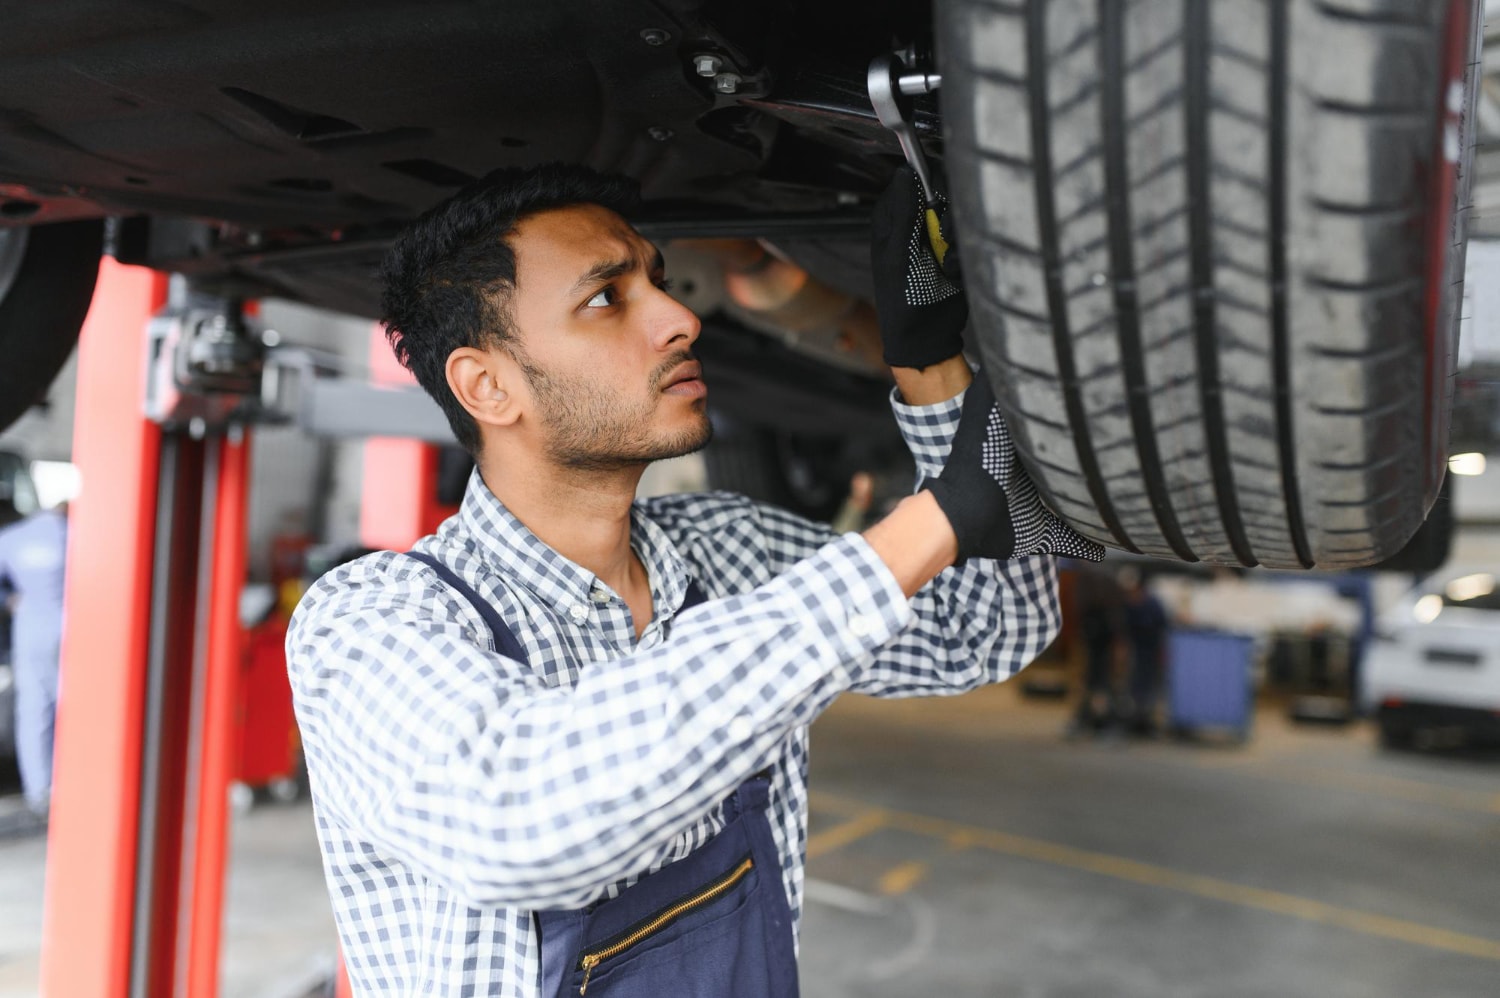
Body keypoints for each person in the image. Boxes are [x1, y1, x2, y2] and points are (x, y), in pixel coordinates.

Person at [287, 162, 1102, 997]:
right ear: (487, 386)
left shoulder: (726, 551)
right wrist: (928, 524)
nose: (680, 318)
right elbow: (518, 824)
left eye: (660, 282)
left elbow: (985, 630)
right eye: (607, 298)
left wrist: (930, 370)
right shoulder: (369, 619)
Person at [0, 501, 68, 819]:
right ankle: (68, 783)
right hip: (71, 628)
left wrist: (11, 601)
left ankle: (38, 789)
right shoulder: (74, 534)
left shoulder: (13, 537)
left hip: (29, 629)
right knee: (70, 708)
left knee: (33, 709)